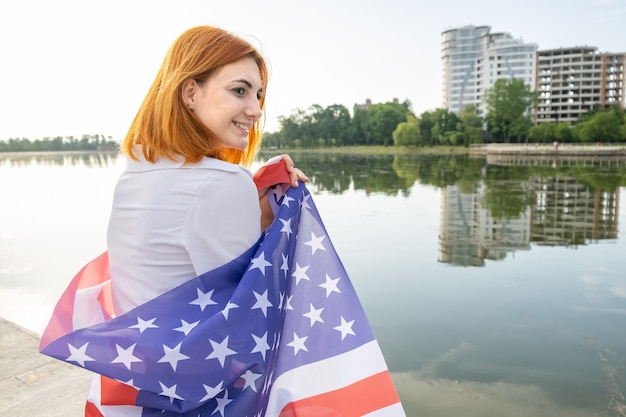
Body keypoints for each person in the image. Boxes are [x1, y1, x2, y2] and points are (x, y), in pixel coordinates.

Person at [90, 25, 307, 414]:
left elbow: (181, 272)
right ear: (190, 92)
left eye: (258, 95)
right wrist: (281, 219)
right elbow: (251, 319)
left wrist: (254, 204)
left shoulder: (137, 171)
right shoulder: (222, 183)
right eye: (239, 90)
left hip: (136, 388)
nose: (256, 110)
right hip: (195, 401)